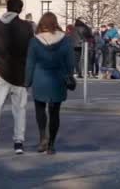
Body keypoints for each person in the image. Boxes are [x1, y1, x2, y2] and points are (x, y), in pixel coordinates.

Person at [0, 0, 34, 154]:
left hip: (2, 71)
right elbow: (32, 49)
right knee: (20, 109)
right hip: (21, 73)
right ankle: (19, 143)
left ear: (7, 8)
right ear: (20, 9)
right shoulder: (27, 27)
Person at [25, 12, 74, 155]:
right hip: (58, 78)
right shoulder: (65, 40)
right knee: (55, 113)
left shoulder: (34, 41)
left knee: (40, 111)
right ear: (55, 23)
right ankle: (51, 144)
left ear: (42, 23)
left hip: (40, 78)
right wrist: (69, 76)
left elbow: (30, 64)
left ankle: (42, 139)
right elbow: (70, 62)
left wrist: (27, 81)